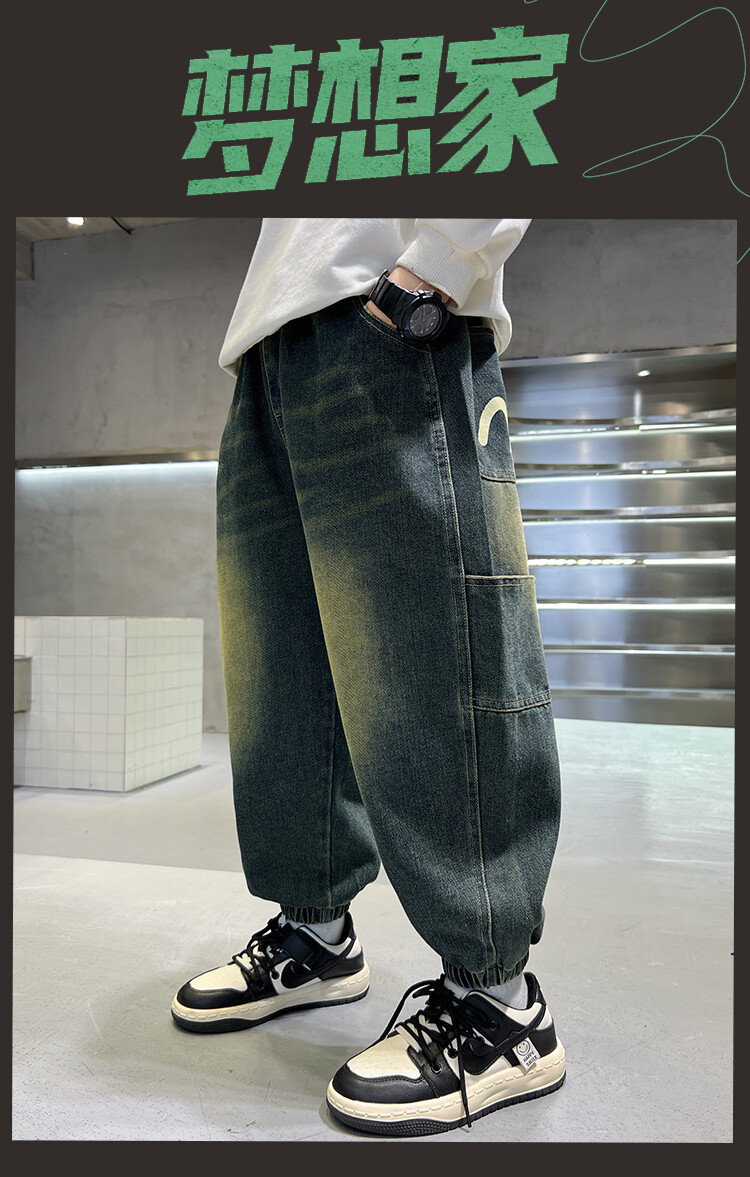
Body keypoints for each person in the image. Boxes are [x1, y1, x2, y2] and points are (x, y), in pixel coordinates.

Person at [171, 218, 565, 1137]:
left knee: (435, 656)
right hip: (269, 347)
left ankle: (501, 1002)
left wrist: (439, 268)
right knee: (284, 671)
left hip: (390, 320)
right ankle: (316, 934)